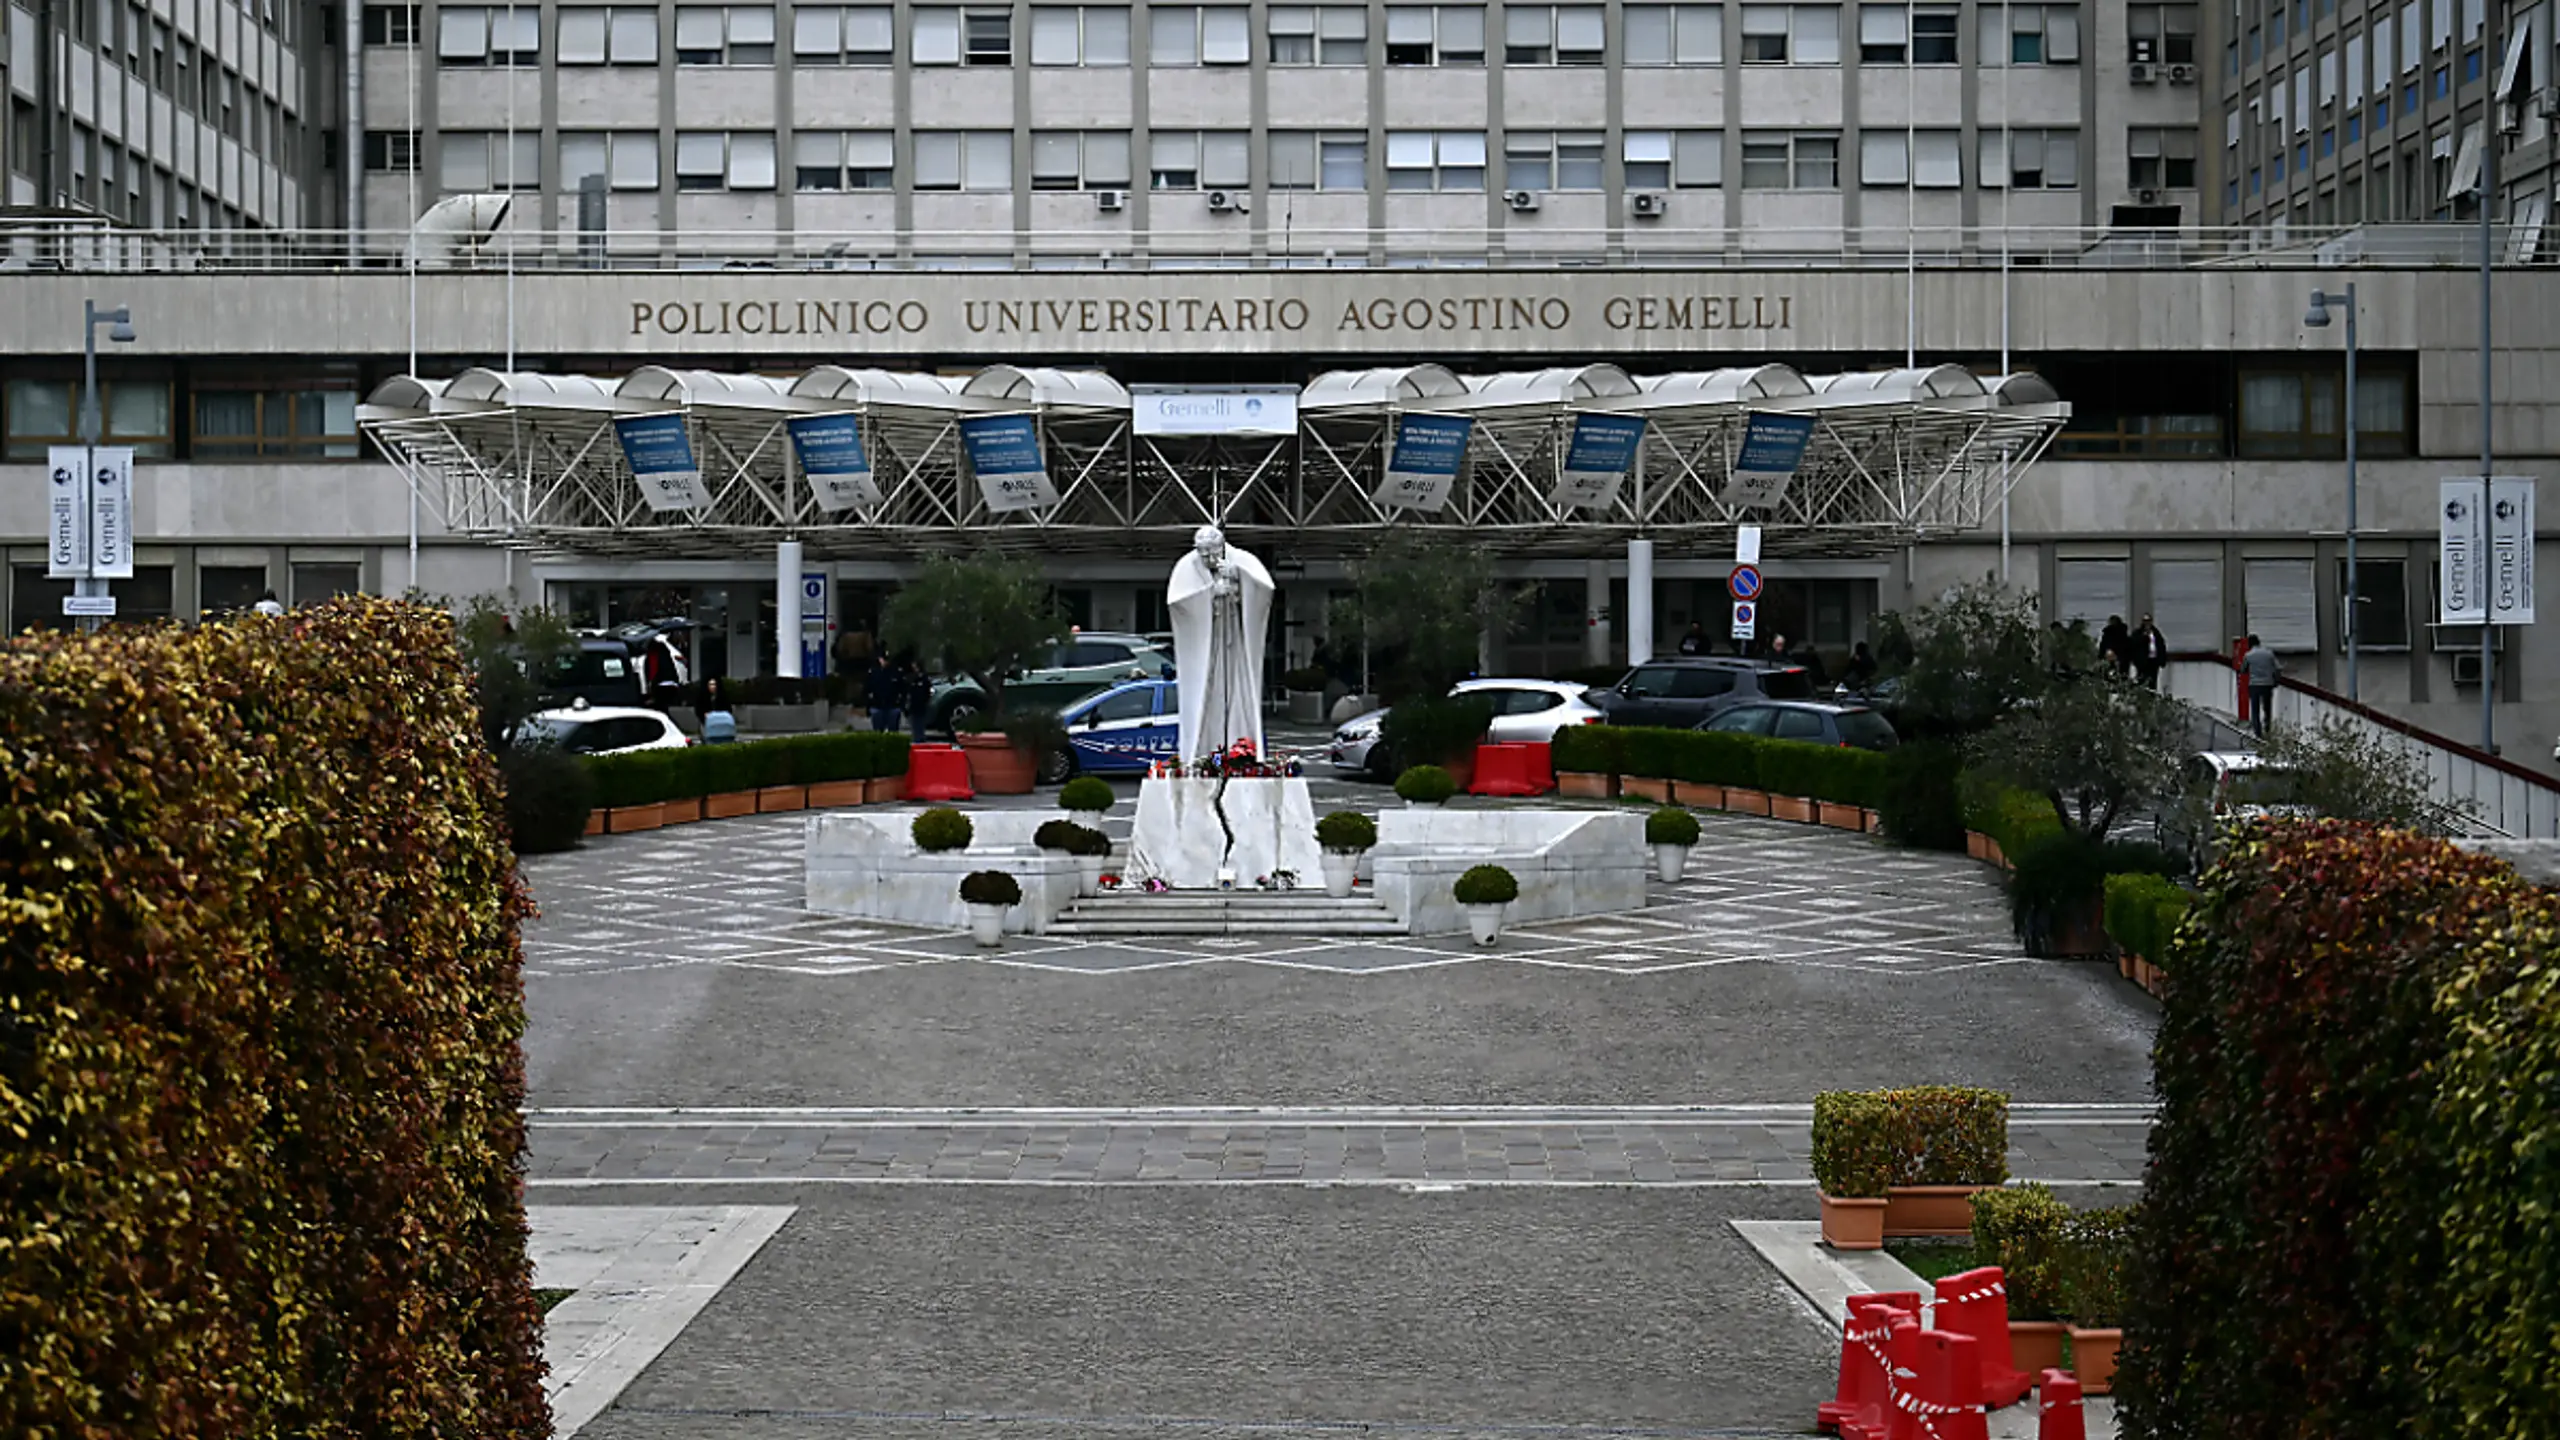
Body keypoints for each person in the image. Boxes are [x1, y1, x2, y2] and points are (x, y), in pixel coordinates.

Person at [2242, 633, 2280, 738]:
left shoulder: (2248, 655)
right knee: (2267, 708)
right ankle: (2268, 729)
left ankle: (2258, 734)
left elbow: (2243, 670)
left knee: (2255, 710)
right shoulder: (2269, 653)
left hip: (2254, 685)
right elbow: (2277, 668)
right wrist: (2276, 681)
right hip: (2267, 684)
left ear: (2250, 644)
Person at [864, 653, 903, 734]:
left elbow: (902, 689)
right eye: (883, 659)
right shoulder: (874, 672)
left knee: (893, 731)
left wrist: (900, 704)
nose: (884, 662)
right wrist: (868, 706)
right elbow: (867, 689)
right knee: (878, 731)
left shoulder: (895, 672)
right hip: (877, 705)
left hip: (892, 705)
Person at [2133, 615, 2169, 689]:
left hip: (2154, 661)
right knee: (2142, 680)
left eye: (2148, 621)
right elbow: (2134, 646)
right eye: (2145, 621)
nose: (2147, 623)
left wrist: (2162, 660)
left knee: (2153, 681)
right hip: (2142, 662)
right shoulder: (2138, 633)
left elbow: (2161, 646)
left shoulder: (2156, 633)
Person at [902, 659, 933, 742]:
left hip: (922, 706)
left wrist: (926, 701)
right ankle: (916, 740)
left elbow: (927, 692)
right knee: (914, 726)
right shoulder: (911, 678)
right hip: (913, 706)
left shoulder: (925, 679)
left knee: (920, 725)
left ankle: (920, 740)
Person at [698, 678, 737, 744]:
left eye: (714, 684)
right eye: (711, 684)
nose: (713, 686)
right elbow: (699, 709)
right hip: (707, 721)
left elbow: (728, 709)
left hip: (722, 721)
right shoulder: (703, 697)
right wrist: (703, 714)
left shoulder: (722, 696)